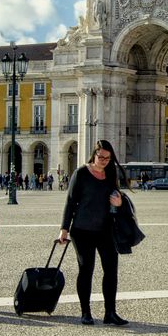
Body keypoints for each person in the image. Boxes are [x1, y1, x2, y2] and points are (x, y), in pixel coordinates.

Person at [58, 140, 127, 326]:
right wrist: (64, 229)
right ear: (93, 154)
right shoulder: (81, 173)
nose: (104, 160)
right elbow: (70, 202)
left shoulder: (111, 173)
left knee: (111, 271)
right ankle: (86, 312)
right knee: (86, 270)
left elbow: (116, 197)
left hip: (106, 230)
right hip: (82, 230)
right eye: (101, 157)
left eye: (107, 158)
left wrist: (119, 203)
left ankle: (110, 312)